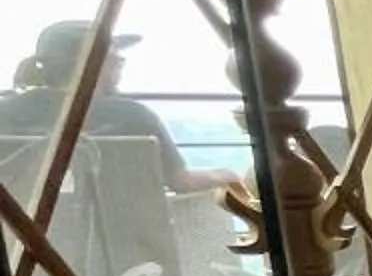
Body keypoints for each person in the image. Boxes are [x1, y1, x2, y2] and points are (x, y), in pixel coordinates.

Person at [0, 22, 243, 194]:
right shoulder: (132, 116)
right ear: (93, 63)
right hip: (124, 253)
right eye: (115, 57)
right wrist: (227, 176)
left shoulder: (6, 112)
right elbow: (182, 182)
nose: (121, 64)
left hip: (26, 244)